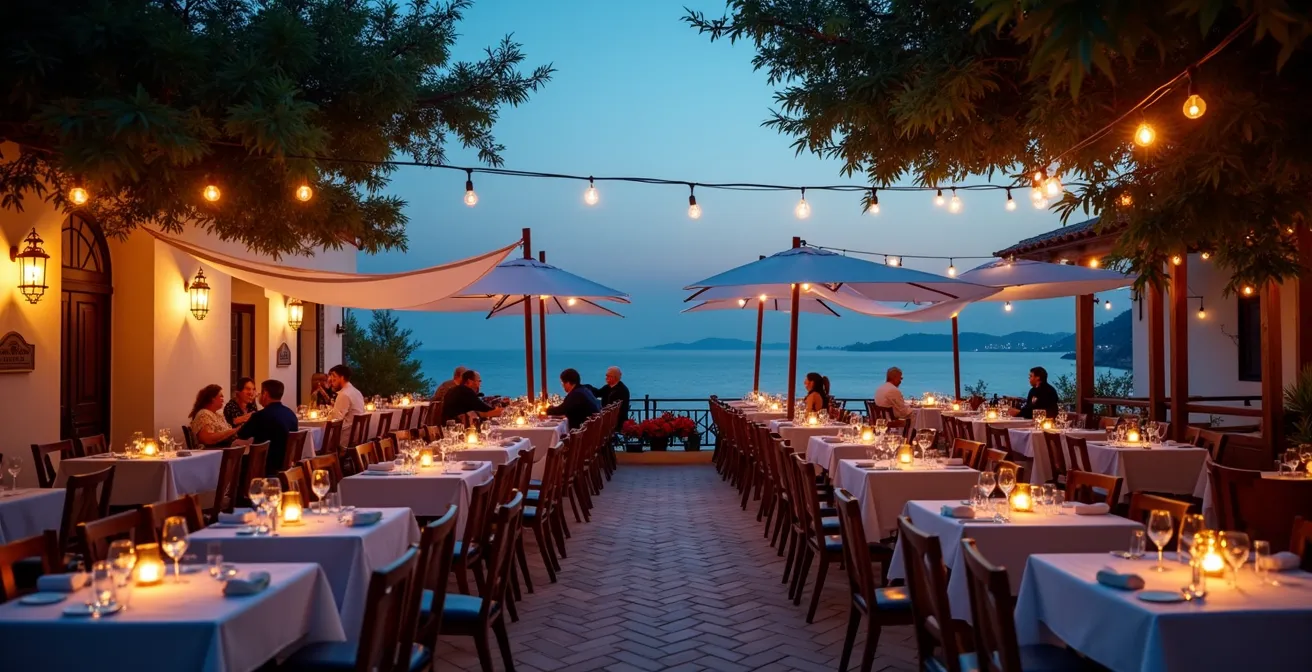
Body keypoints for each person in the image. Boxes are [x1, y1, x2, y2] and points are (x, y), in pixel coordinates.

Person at [236, 379, 299, 474]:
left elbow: (242, 435)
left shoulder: (260, 416)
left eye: (261, 393)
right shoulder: (291, 414)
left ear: (265, 394)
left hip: (264, 464)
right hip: (285, 463)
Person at [586, 366, 630, 433]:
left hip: (616, 421)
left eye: (608, 376)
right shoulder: (608, 387)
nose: (606, 378)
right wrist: (587, 387)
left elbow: (616, 409)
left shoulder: (621, 390)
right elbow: (598, 393)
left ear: (614, 377)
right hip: (608, 419)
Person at [327, 364, 366, 437]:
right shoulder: (356, 392)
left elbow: (336, 420)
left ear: (342, 377)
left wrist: (330, 414)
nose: (331, 380)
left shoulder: (344, 394)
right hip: (358, 436)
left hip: (346, 437)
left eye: (334, 377)